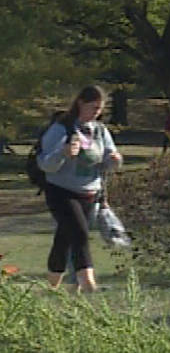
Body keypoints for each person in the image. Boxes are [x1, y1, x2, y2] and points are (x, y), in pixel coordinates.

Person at [35, 85, 122, 293]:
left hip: (90, 192)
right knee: (80, 233)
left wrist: (114, 160)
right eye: (94, 107)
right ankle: (88, 285)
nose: (97, 112)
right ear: (81, 103)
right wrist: (63, 153)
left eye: (100, 108)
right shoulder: (61, 127)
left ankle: (51, 286)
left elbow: (110, 159)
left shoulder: (99, 130)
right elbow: (45, 164)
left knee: (64, 239)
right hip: (61, 191)